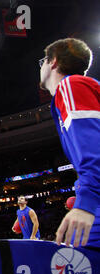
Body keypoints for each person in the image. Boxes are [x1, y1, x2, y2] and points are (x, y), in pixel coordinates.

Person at [39, 38, 100, 248]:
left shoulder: (70, 85)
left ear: (53, 61)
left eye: (43, 62)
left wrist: (87, 201)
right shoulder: (77, 89)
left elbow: (94, 150)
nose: (41, 68)